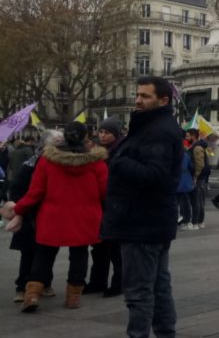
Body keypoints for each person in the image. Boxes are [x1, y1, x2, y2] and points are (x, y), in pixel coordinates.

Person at [98, 76, 184, 338]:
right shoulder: (153, 127)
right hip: (151, 221)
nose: (137, 100)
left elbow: (157, 176)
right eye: (137, 94)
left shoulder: (158, 132)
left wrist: (116, 163)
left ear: (163, 100)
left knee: (139, 294)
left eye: (145, 96)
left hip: (141, 223)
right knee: (160, 289)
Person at [2, 122, 108, 313]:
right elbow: (104, 192)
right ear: (86, 137)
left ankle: (32, 294)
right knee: (79, 254)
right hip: (85, 217)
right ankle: (73, 297)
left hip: (52, 216)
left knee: (44, 254)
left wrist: (19, 209)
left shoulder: (48, 160)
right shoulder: (96, 162)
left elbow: (35, 192)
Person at [5, 132, 59, 303]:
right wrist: (20, 209)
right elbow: (18, 188)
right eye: (57, 143)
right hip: (29, 213)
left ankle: (45, 283)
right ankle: (22, 287)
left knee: (49, 251)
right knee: (28, 252)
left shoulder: (57, 162)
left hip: (48, 213)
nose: (61, 146)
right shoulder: (31, 164)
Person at [85, 118, 126, 297]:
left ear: (115, 135)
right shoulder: (97, 151)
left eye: (107, 133)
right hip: (99, 204)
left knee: (115, 248)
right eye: (101, 132)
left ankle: (119, 283)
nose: (102, 135)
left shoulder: (121, 151)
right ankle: (97, 281)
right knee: (99, 246)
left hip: (115, 203)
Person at [188, 130, 211, 230]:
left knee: (197, 200)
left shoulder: (197, 147)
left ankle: (197, 221)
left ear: (193, 136)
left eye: (188, 136)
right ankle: (200, 221)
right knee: (199, 199)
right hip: (202, 176)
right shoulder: (199, 146)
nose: (186, 138)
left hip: (199, 177)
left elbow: (200, 163)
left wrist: (195, 176)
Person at [175, 132, 196, 229]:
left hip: (177, 182)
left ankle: (183, 220)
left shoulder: (172, 156)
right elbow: (191, 167)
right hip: (185, 182)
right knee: (185, 202)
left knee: (178, 203)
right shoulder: (186, 155)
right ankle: (186, 221)